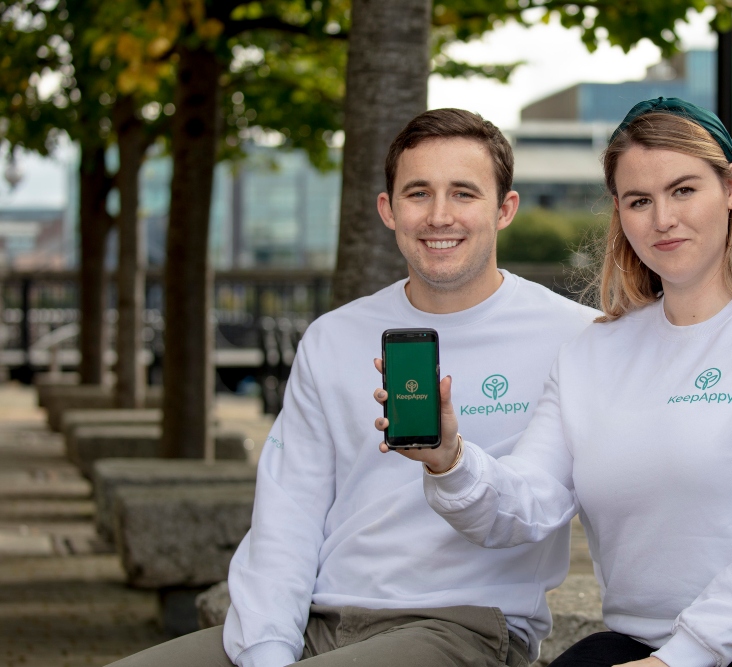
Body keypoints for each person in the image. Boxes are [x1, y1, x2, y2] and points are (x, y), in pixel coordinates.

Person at [377, 98, 732, 667]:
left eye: (684, 190)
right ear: (620, 213)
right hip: (641, 643)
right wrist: (450, 460)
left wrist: (680, 658)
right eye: (640, 201)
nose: (663, 218)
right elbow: (527, 504)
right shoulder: (594, 350)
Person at [108, 108, 596, 667]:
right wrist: (268, 649)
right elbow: (287, 514)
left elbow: (538, 511)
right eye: (418, 193)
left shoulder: (573, 336)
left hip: (461, 625)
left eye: (464, 193)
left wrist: (451, 462)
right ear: (388, 209)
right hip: (324, 620)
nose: (439, 216)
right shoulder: (333, 337)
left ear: (504, 208)